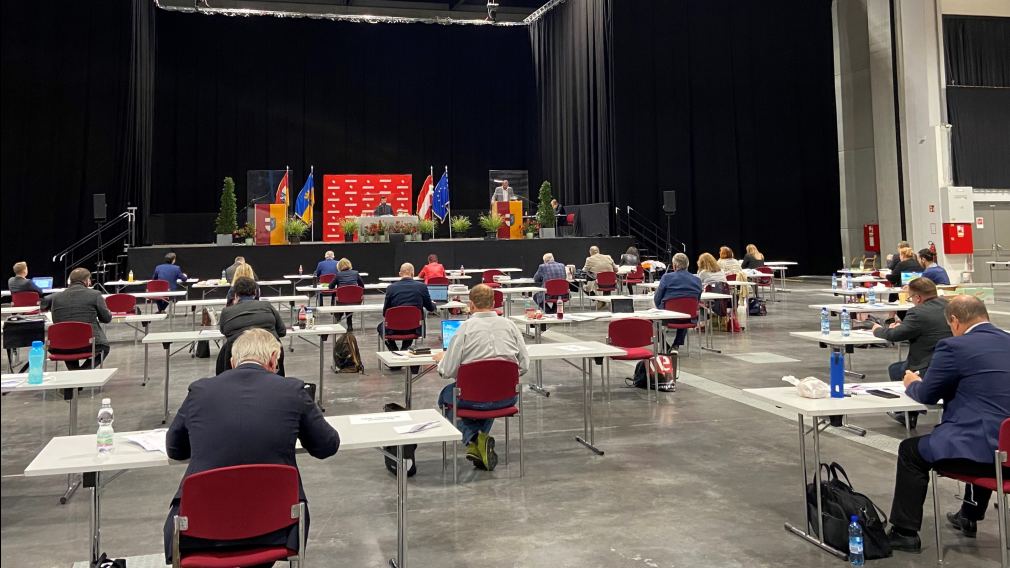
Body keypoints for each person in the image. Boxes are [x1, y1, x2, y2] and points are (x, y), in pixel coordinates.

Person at [163, 328, 339, 564]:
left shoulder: (199, 390)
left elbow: (175, 449)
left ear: (233, 362)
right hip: (277, 528)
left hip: (198, 528)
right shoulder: (293, 391)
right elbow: (327, 446)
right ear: (274, 360)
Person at [885, 296, 1010, 553]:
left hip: (985, 451)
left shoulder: (954, 347)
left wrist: (911, 383)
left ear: (954, 321)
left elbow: (928, 395)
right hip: (1005, 453)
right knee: (988, 439)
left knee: (911, 451)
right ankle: (969, 514)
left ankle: (904, 532)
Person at [432, 284, 529, 471]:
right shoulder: (510, 326)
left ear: (471, 304)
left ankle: (474, 440)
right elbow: (524, 365)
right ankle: (481, 443)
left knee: (446, 397)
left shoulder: (464, 329)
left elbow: (447, 371)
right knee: (489, 391)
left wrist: (441, 360)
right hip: (506, 398)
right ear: (494, 303)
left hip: (471, 398)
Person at [870, 277, 951, 427]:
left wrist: (878, 330)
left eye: (911, 297)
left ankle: (908, 411)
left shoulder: (917, 312)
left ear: (918, 297)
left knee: (896, 370)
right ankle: (909, 412)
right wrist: (904, 325)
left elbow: (894, 336)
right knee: (897, 368)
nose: (911, 301)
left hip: (927, 365)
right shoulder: (950, 305)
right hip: (951, 361)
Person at [41, 268, 112, 369]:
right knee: (104, 348)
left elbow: (56, 321)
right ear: (86, 281)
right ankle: (82, 372)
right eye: (90, 280)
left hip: (61, 344)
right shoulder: (95, 295)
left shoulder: (56, 298)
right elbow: (106, 319)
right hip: (89, 343)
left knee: (69, 345)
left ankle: (75, 373)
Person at [217, 276, 287, 375]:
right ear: (255, 293)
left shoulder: (226, 311)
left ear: (235, 295)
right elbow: (282, 331)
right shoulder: (267, 306)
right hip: (269, 353)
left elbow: (224, 331)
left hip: (239, 356)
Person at [379, 263, 436, 351]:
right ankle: (404, 348)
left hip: (394, 329)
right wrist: (433, 304)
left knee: (380, 327)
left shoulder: (391, 288)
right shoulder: (422, 287)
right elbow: (430, 308)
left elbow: (385, 313)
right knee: (411, 323)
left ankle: (393, 348)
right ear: (413, 273)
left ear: (400, 274)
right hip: (415, 328)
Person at [653, 252, 702, 349]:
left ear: (674, 265)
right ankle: (676, 345)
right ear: (687, 265)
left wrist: (660, 310)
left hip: (668, 316)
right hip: (689, 318)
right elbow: (697, 300)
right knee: (686, 311)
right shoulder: (697, 280)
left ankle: (665, 346)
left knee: (651, 320)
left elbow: (657, 298)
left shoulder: (666, 277)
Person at [327, 258, 365, 329]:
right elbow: (362, 286)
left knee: (344, 301)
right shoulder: (356, 273)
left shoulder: (338, 274)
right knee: (349, 301)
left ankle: (339, 316)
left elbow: (330, 287)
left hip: (341, 300)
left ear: (339, 266)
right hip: (356, 300)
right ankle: (349, 324)